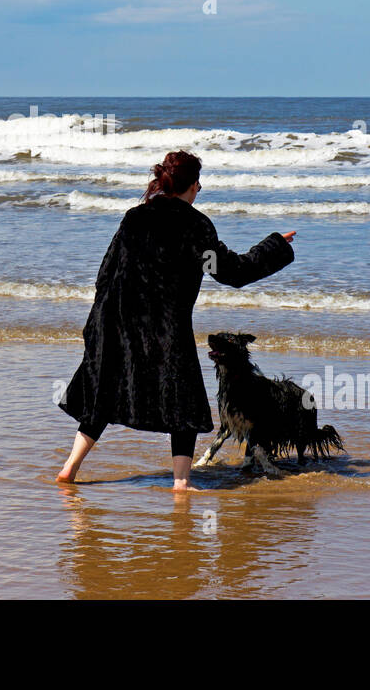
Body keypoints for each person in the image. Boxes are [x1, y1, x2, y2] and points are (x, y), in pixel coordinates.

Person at [56, 150, 296, 491]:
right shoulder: (196, 226)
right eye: (199, 183)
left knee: (105, 393)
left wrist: (97, 323)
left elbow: (105, 275)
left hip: (117, 322)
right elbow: (231, 272)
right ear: (193, 185)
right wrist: (274, 246)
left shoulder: (133, 219)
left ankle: (70, 468)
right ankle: (181, 483)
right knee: (182, 400)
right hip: (167, 327)